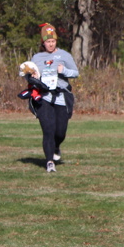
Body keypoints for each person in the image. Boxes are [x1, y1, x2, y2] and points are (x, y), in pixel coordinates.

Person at [28, 23, 78, 173]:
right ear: (43, 42)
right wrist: (32, 77)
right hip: (44, 97)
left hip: (61, 96)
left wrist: (64, 71)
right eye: (48, 41)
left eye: (53, 41)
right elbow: (28, 74)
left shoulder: (64, 55)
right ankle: (49, 161)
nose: (51, 44)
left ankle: (56, 146)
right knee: (48, 129)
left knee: (60, 132)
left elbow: (75, 73)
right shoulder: (37, 58)